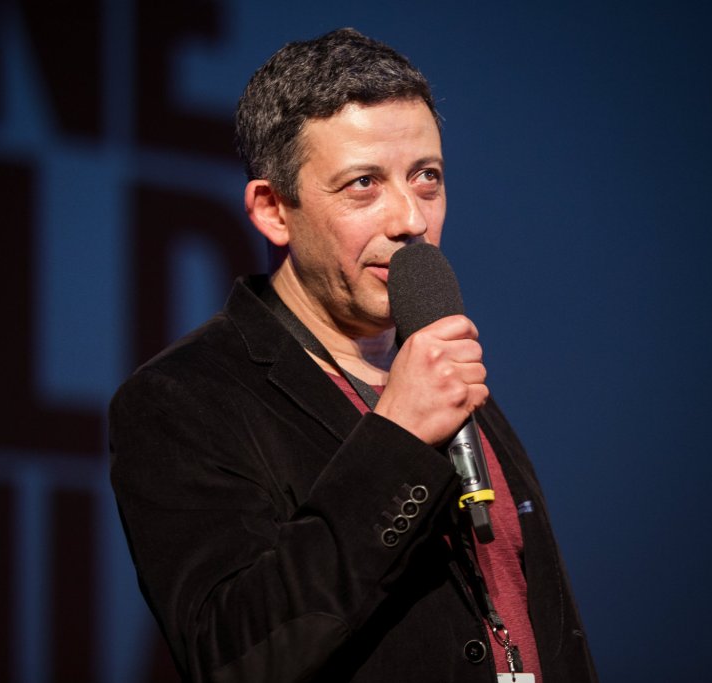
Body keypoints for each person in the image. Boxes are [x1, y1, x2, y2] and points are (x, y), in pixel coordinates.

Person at [109, 28, 598, 683]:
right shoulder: (183, 399)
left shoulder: (439, 367)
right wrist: (397, 439)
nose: (410, 219)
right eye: (363, 184)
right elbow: (233, 655)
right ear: (273, 210)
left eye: (427, 177)